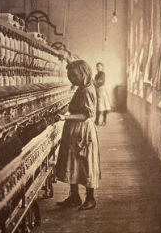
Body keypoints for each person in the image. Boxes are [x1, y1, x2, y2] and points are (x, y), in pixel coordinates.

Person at [55, 60, 101, 211]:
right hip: (75, 130)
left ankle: (90, 198)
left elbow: (85, 115)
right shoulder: (82, 87)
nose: (71, 79)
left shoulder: (87, 90)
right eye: (69, 75)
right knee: (72, 162)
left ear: (84, 73)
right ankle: (74, 197)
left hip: (82, 130)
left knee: (86, 163)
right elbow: (75, 106)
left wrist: (65, 117)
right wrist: (62, 109)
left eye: (74, 75)